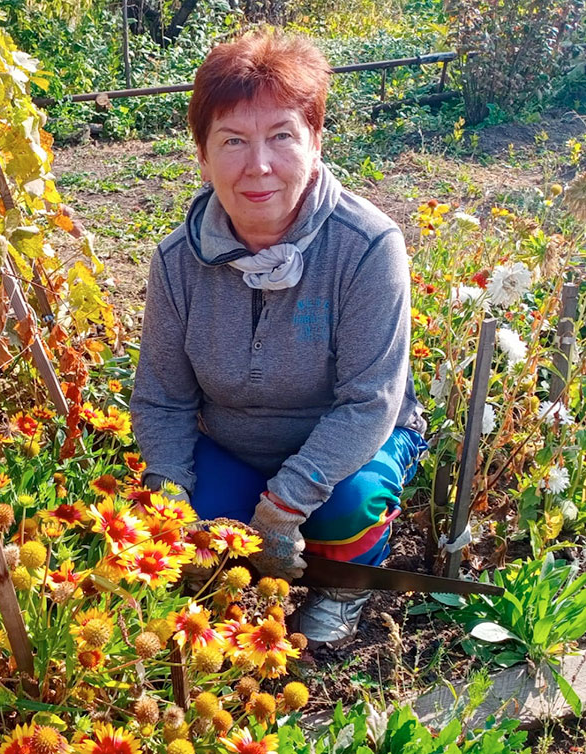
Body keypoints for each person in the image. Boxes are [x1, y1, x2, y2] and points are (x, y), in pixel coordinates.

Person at [130, 30, 428, 648]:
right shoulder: (176, 261)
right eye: (233, 141)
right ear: (203, 156)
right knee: (202, 533)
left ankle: (344, 584)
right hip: (234, 443)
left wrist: (283, 508)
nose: (257, 165)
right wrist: (169, 500)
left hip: (350, 445)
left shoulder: (367, 247)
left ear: (316, 143)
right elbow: (162, 398)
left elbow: (370, 401)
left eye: (282, 136)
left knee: (348, 507)